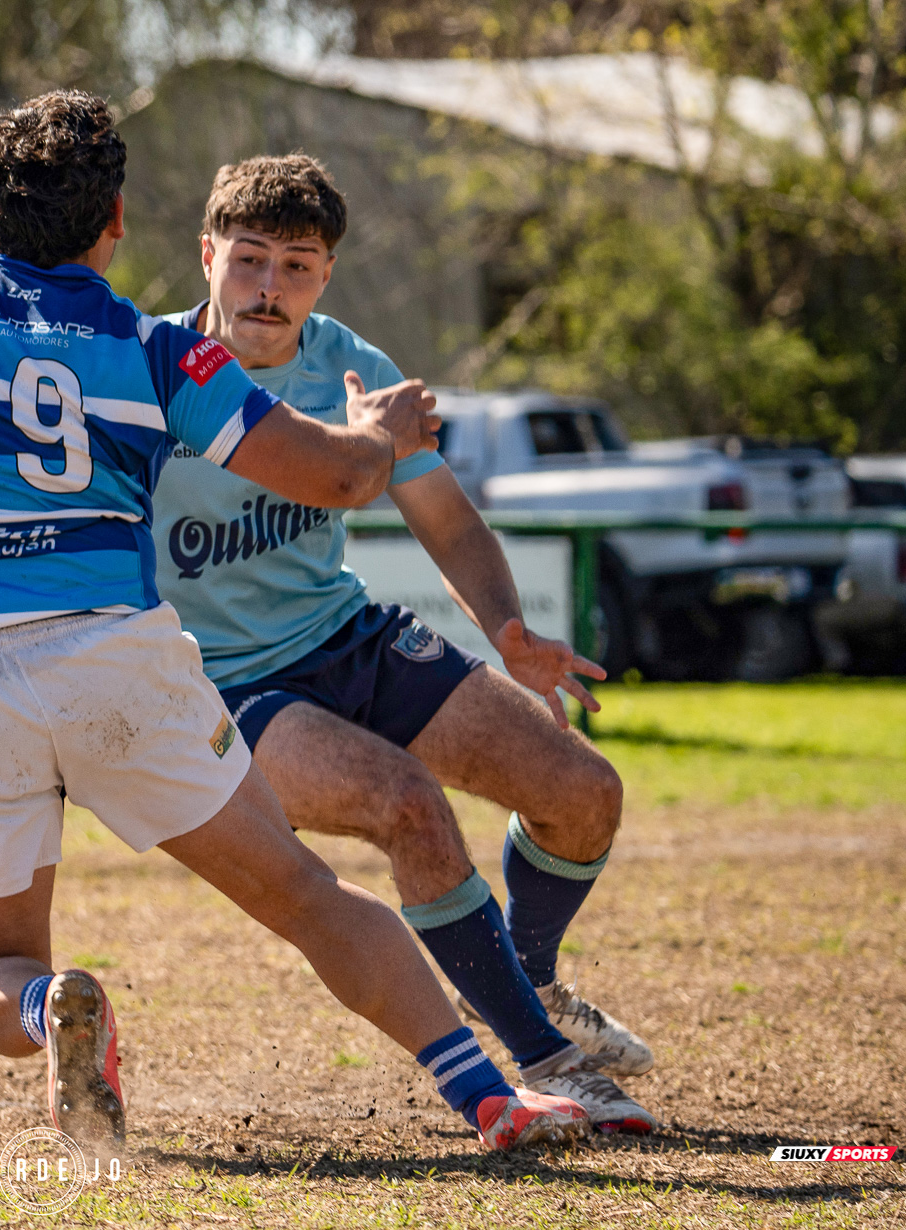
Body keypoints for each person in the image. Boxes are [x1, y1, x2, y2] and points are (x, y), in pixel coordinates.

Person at [0, 90, 588, 1154]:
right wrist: (378, 436)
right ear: (115, 222)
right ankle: (489, 1097)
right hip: (114, 663)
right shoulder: (155, 351)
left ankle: (48, 1006)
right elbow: (333, 477)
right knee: (307, 894)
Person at [157, 154, 655, 1130]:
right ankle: (551, 1060)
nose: (268, 287)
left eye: (296, 266)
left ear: (326, 275)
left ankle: (526, 976)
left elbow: (446, 520)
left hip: (344, 633)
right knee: (409, 807)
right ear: (207, 255)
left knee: (583, 793)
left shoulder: (354, 370)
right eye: (249, 259)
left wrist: (507, 630)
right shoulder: (148, 371)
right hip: (220, 684)